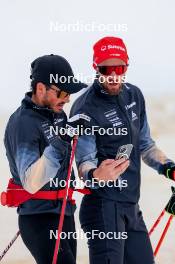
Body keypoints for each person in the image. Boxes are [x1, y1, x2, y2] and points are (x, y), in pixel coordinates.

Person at [70, 36, 175, 264]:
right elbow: (84, 163)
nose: (113, 75)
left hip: (130, 207)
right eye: (106, 69)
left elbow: (145, 145)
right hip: (102, 209)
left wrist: (169, 169)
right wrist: (96, 174)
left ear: (127, 65)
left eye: (119, 67)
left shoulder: (134, 95)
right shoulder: (85, 107)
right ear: (95, 68)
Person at [4, 54, 89, 264]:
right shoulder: (23, 123)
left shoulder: (58, 115)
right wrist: (62, 138)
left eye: (69, 92)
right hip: (38, 218)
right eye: (62, 92)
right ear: (41, 88)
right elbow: (31, 182)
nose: (67, 98)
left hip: (64, 212)